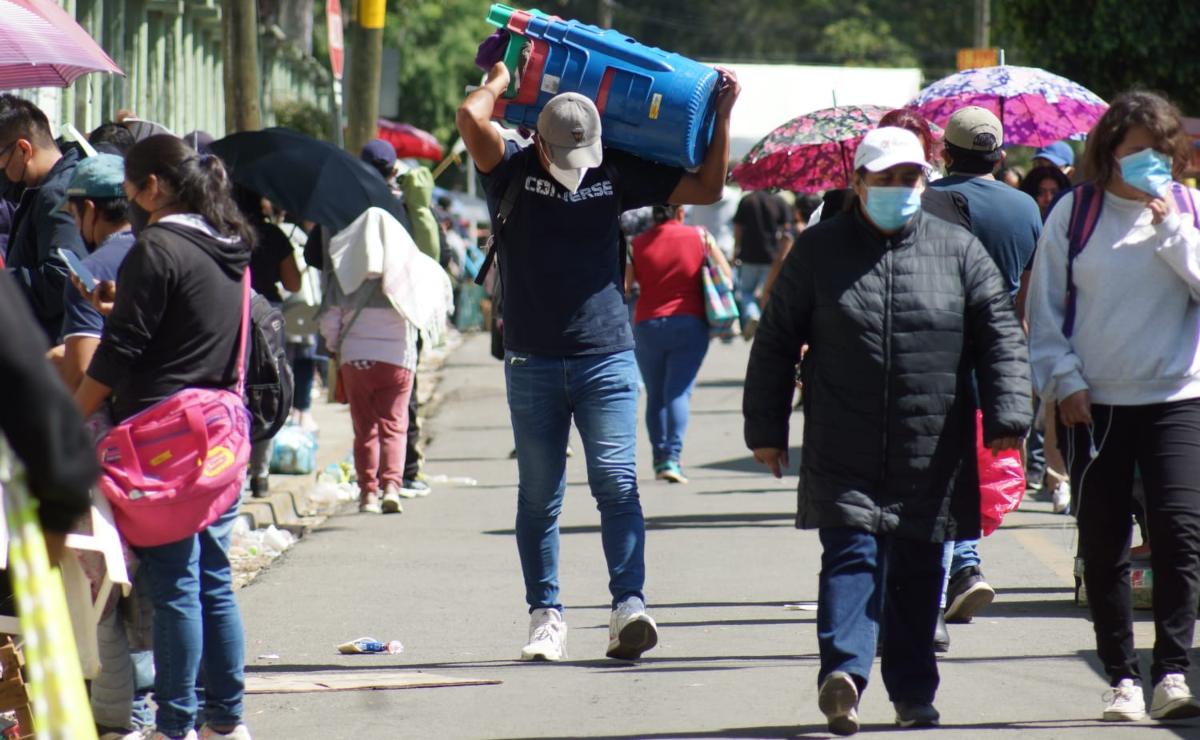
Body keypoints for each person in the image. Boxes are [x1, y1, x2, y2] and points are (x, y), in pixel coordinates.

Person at [744, 127, 1030, 735]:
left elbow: (998, 338)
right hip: (841, 439)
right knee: (850, 556)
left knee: (920, 572)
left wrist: (1008, 417)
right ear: (858, 184)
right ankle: (844, 675)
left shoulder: (959, 250)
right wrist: (766, 427)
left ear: (925, 182)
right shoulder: (819, 251)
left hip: (933, 444)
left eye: (910, 179)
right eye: (886, 179)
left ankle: (913, 692)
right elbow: (774, 342)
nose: (899, 190)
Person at [457, 60, 739, 662]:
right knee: (539, 494)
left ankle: (627, 607)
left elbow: (709, 189)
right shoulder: (504, 168)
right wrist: (504, 82)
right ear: (539, 141)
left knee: (617, 483)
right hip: (532, 359)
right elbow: (469, 116)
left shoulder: (613, 169)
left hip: (607, 355)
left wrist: (722, 113)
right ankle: (546, 615)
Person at [74, 135, 255, 740]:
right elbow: (191, 328)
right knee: (213, 580)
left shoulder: (156, 247)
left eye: (129, 187)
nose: (127, 199)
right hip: (220, 431)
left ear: (153, 186)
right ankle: (225, 720)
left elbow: (120, 355)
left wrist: (73, 415)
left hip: (163, 444)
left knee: (175, 584)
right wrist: (119, 308)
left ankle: (174, 725)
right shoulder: (229, 245)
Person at [1027, 90, 1200, 723]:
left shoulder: (1189, 209)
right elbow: (1044, 311)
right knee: (1104, 543)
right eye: (1136, 151)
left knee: (1181, 534)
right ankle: (1122, 676)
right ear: (1109, 153)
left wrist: (1172, 231)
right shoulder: (1075, 213)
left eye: (1161, 150)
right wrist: (1062, 379)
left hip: (1178, 396)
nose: (1150, 161)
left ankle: (1173, 671)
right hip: (1092, 403)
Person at [930, 106, 1042, 625]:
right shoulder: (1025, 208)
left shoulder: (929, 202)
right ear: (999, 155)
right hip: (1003, 354)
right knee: (979, 464)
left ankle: (955, 573)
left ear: (945, 153)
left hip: (939, 351)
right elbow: (1032, 295)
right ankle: (967, 564)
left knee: (940, 467)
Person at [627, 205, 732, 483]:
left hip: (647, 324)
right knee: (678, 392)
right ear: (680, 213)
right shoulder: (700, 236)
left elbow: (627, 286)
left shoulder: (637, 243)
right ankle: (672, 458)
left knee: (656, 394)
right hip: (689, 323)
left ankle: (660, 458)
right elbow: (727, 277)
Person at [359, 139, 431, 499]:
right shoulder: (406, 207)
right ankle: (399, 479)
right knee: (398, 411)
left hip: (355, 324)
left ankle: (368, 487)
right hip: (404, 317)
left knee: (363, 418)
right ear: (393, 171)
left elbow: (315, 255)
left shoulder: (348, 209)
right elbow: (437, 253)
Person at [0, 94, 89, 342]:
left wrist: (6, 284)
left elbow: (62, 276)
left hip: (53, 342)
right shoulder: (59, 184)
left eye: (1, 161)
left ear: (23, 149)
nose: (2, 172)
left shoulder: (55, 193)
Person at [235, 186, 302, 498]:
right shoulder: (273, 235)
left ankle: (233, 471)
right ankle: (260, 476)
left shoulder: (223, 233)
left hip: (229, 316)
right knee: (266, 389)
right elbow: (293, 282)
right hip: (267, 320)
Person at [1018, 164, 1075, 514]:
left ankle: (1060, 480)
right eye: (1041, 192)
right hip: (1026, 329)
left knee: (1052, 410)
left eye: (1054, 191)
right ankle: (1032, 472)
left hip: (1068, 342)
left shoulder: (1071, 222)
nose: (1047, 198)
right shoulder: (1026, 224)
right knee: (1029, 410)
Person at [732, 188, 790, 338]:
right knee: (766, 292)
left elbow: (738, 227)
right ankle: (765, 324)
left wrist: (736, 249)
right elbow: (786, 230)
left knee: (746, 291)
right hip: (772, 255)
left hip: (748, 254)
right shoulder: (780, 201)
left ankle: (752, 314)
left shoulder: (747, 200)